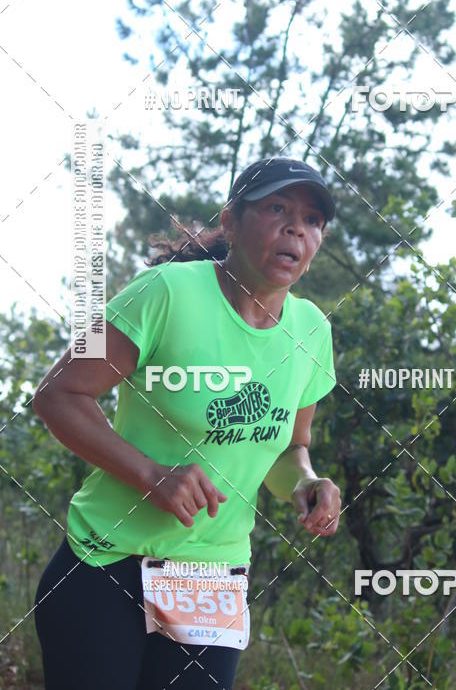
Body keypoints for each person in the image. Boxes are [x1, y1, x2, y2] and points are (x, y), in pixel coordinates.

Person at [32, 156, 341, 690]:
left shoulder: (311, 330)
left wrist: (308, 484)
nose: (297, 228)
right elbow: (58, 395)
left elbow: (289, 449)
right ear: (230, 221)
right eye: (276, 208)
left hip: (211, 580)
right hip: (107, 563)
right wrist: (152, 475)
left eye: (312, 220)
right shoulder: (166, 294)